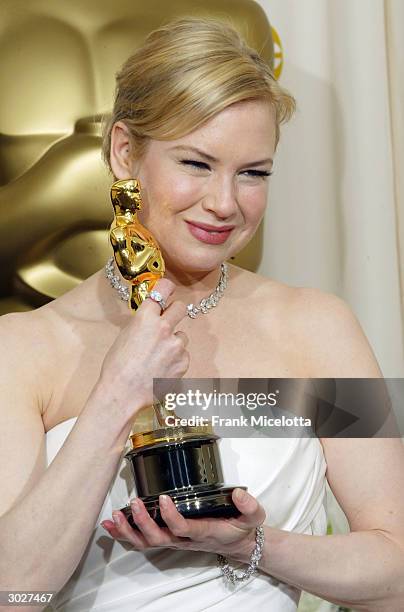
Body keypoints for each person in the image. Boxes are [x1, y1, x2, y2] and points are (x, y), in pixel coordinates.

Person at [0, 16, 403, 612]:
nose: (224, 203)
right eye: (196, 163)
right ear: (124, 152)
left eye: (253, 174)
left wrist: (252, 545)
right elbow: (13, 592)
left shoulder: (319, 327)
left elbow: (395, 568)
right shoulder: (22, 347)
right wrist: (116, 397)